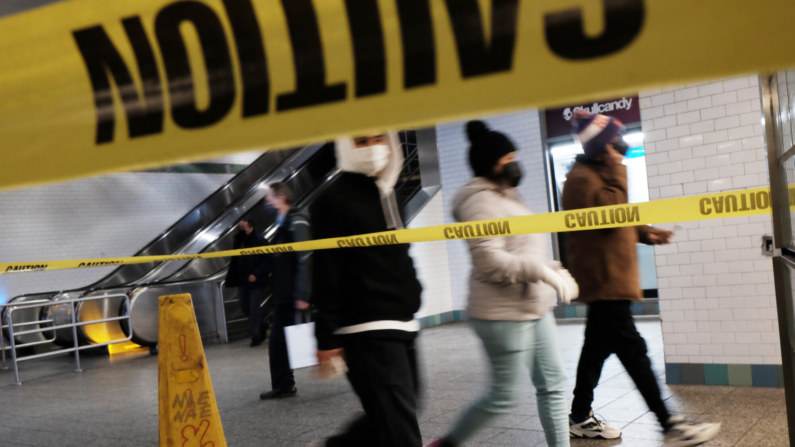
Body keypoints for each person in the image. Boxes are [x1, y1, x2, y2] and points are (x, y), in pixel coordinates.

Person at [562, 110, 720, 446]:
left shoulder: (597, 172)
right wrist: (618, 167)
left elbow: (616, 215)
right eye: (615, 140)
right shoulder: (581, 180)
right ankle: (670, 425)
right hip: (604, 282)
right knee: (634, 351)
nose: (621, 145)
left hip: (609, 279)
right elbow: (608, 216)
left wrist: (645, 233)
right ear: (604, 146)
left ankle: (579, 416)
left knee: (595, 351)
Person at [424, 121, 577, 447]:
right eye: (510, 157)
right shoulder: (479, 202)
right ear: (494, 163)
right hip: (500, 312)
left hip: (533, 305)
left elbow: (523, 249)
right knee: (503, 396)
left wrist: (554, 268)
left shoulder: (508, 195)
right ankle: (446, 443)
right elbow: (491, 262)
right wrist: (544, 273)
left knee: (553, 384)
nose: (516, 161)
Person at [308, 132, 424, 447]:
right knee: (401, 430)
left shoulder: (390, 193)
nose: (372, 148)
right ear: (346, 146)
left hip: (402, 322)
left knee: (397, 411)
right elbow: (326, 269)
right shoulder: (332, 200)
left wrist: (413, 292)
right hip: (365, 328)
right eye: (361, 141)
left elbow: (401, 254)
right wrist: (327, 336)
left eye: (378, 139)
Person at [260, 182, 313, 400]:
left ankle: (284, 384)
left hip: (292, 295)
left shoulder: (296, 221)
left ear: (281, 199)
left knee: (279, 342)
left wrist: (302, 294)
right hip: (284, 294)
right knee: (279, 341)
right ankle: (285, 383)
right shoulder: (283, 224)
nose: (267, 203)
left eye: (269, 198)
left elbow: (306, 257)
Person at [225, 218, 269, 347]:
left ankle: (255, 335)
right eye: (240, 227)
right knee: (243, 305)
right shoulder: (238, 240)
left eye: (244, 228)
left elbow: (267, 260)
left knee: (254, 308)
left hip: (256, 280)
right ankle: (261, 324)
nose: (241, 230)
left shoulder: (260, 241)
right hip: (242, 279)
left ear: (251, 228)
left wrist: (256, 273)